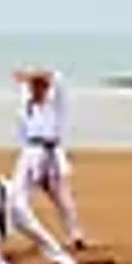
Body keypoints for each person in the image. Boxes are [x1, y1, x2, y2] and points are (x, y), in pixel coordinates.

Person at [13, 68, 86, 249]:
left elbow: (59, 79)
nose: (36, 90)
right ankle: (13, 232)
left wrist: (33, 74)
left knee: (62, 198)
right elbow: (22, 127)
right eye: (34, 87)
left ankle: (75, 235)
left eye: (40, 86)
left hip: (51, 152)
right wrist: (27, 80)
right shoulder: (26, 105)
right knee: (17, 195)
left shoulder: (56, 106)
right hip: (30, 152)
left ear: (47, 88)